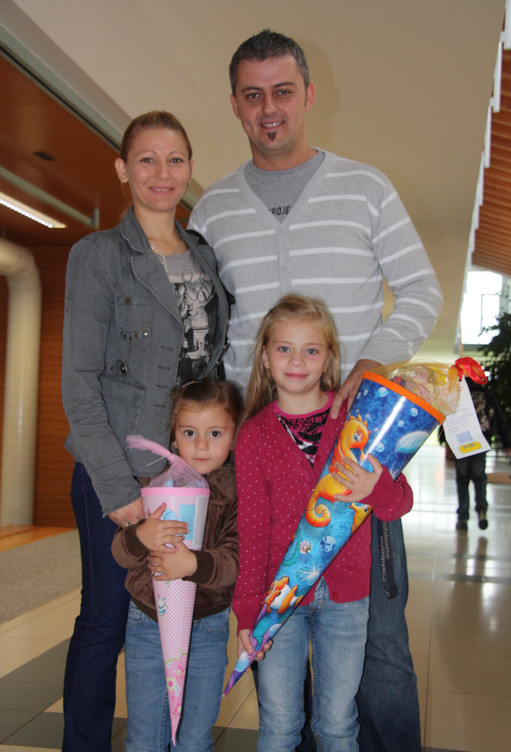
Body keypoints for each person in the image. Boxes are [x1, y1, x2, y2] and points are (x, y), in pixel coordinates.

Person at [189, 30, 442, 752]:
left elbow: (421, 291)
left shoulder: (365, 188)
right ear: (235, 105)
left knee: (377, 643)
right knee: (277, 634)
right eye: (252, 95)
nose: (269, 108)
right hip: (262, 454)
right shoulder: (213, 209)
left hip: (351, 452)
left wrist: (372, 363)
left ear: (308, 94)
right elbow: (206, 331)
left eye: (282, 91)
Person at [61, 111, 231, 751]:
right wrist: (116, 489)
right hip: (120, 472)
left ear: (190, 168)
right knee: (106, 619)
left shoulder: (204, 256)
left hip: (190, 474)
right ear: (122, 168)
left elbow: (212, 371)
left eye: (175, 159)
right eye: (147, 159)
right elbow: (79, 381)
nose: (163, 173)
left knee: (181, 618)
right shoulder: (99, 256)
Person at [233, 294, 413, 752]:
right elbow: (252, 531)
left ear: (330, 358)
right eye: (284, 349)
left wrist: (374, 488)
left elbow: (399, 502)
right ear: (265, 357)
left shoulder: (358, 420)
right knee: (278, 722)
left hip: (346, 597)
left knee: (336, 723)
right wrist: (248, 610)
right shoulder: (253, 435)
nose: (297, 361)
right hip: (278, 597)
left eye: (311, 350)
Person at [112, 377, 243, 751]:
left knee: (194, 738)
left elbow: (235, 560)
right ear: (173, 435)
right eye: (189, 432)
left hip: (207, 626)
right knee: (144, 738)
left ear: (234, 435)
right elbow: (119, 553)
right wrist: (141, 535)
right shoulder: (152, 482)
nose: (201, 445)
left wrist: (193, 565)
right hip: (147, 621)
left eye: (215, 433)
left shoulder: (237, 489)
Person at [451, 377, 511, 531]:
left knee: (462, 479)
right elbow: (499, 419)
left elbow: (449, 419)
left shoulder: (458, 395)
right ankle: (482, 509)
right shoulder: (487, 396)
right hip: (481, 441)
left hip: (461, 442)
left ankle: (463, 517)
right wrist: (507, 443)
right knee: (479, 477)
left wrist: (445, 439)